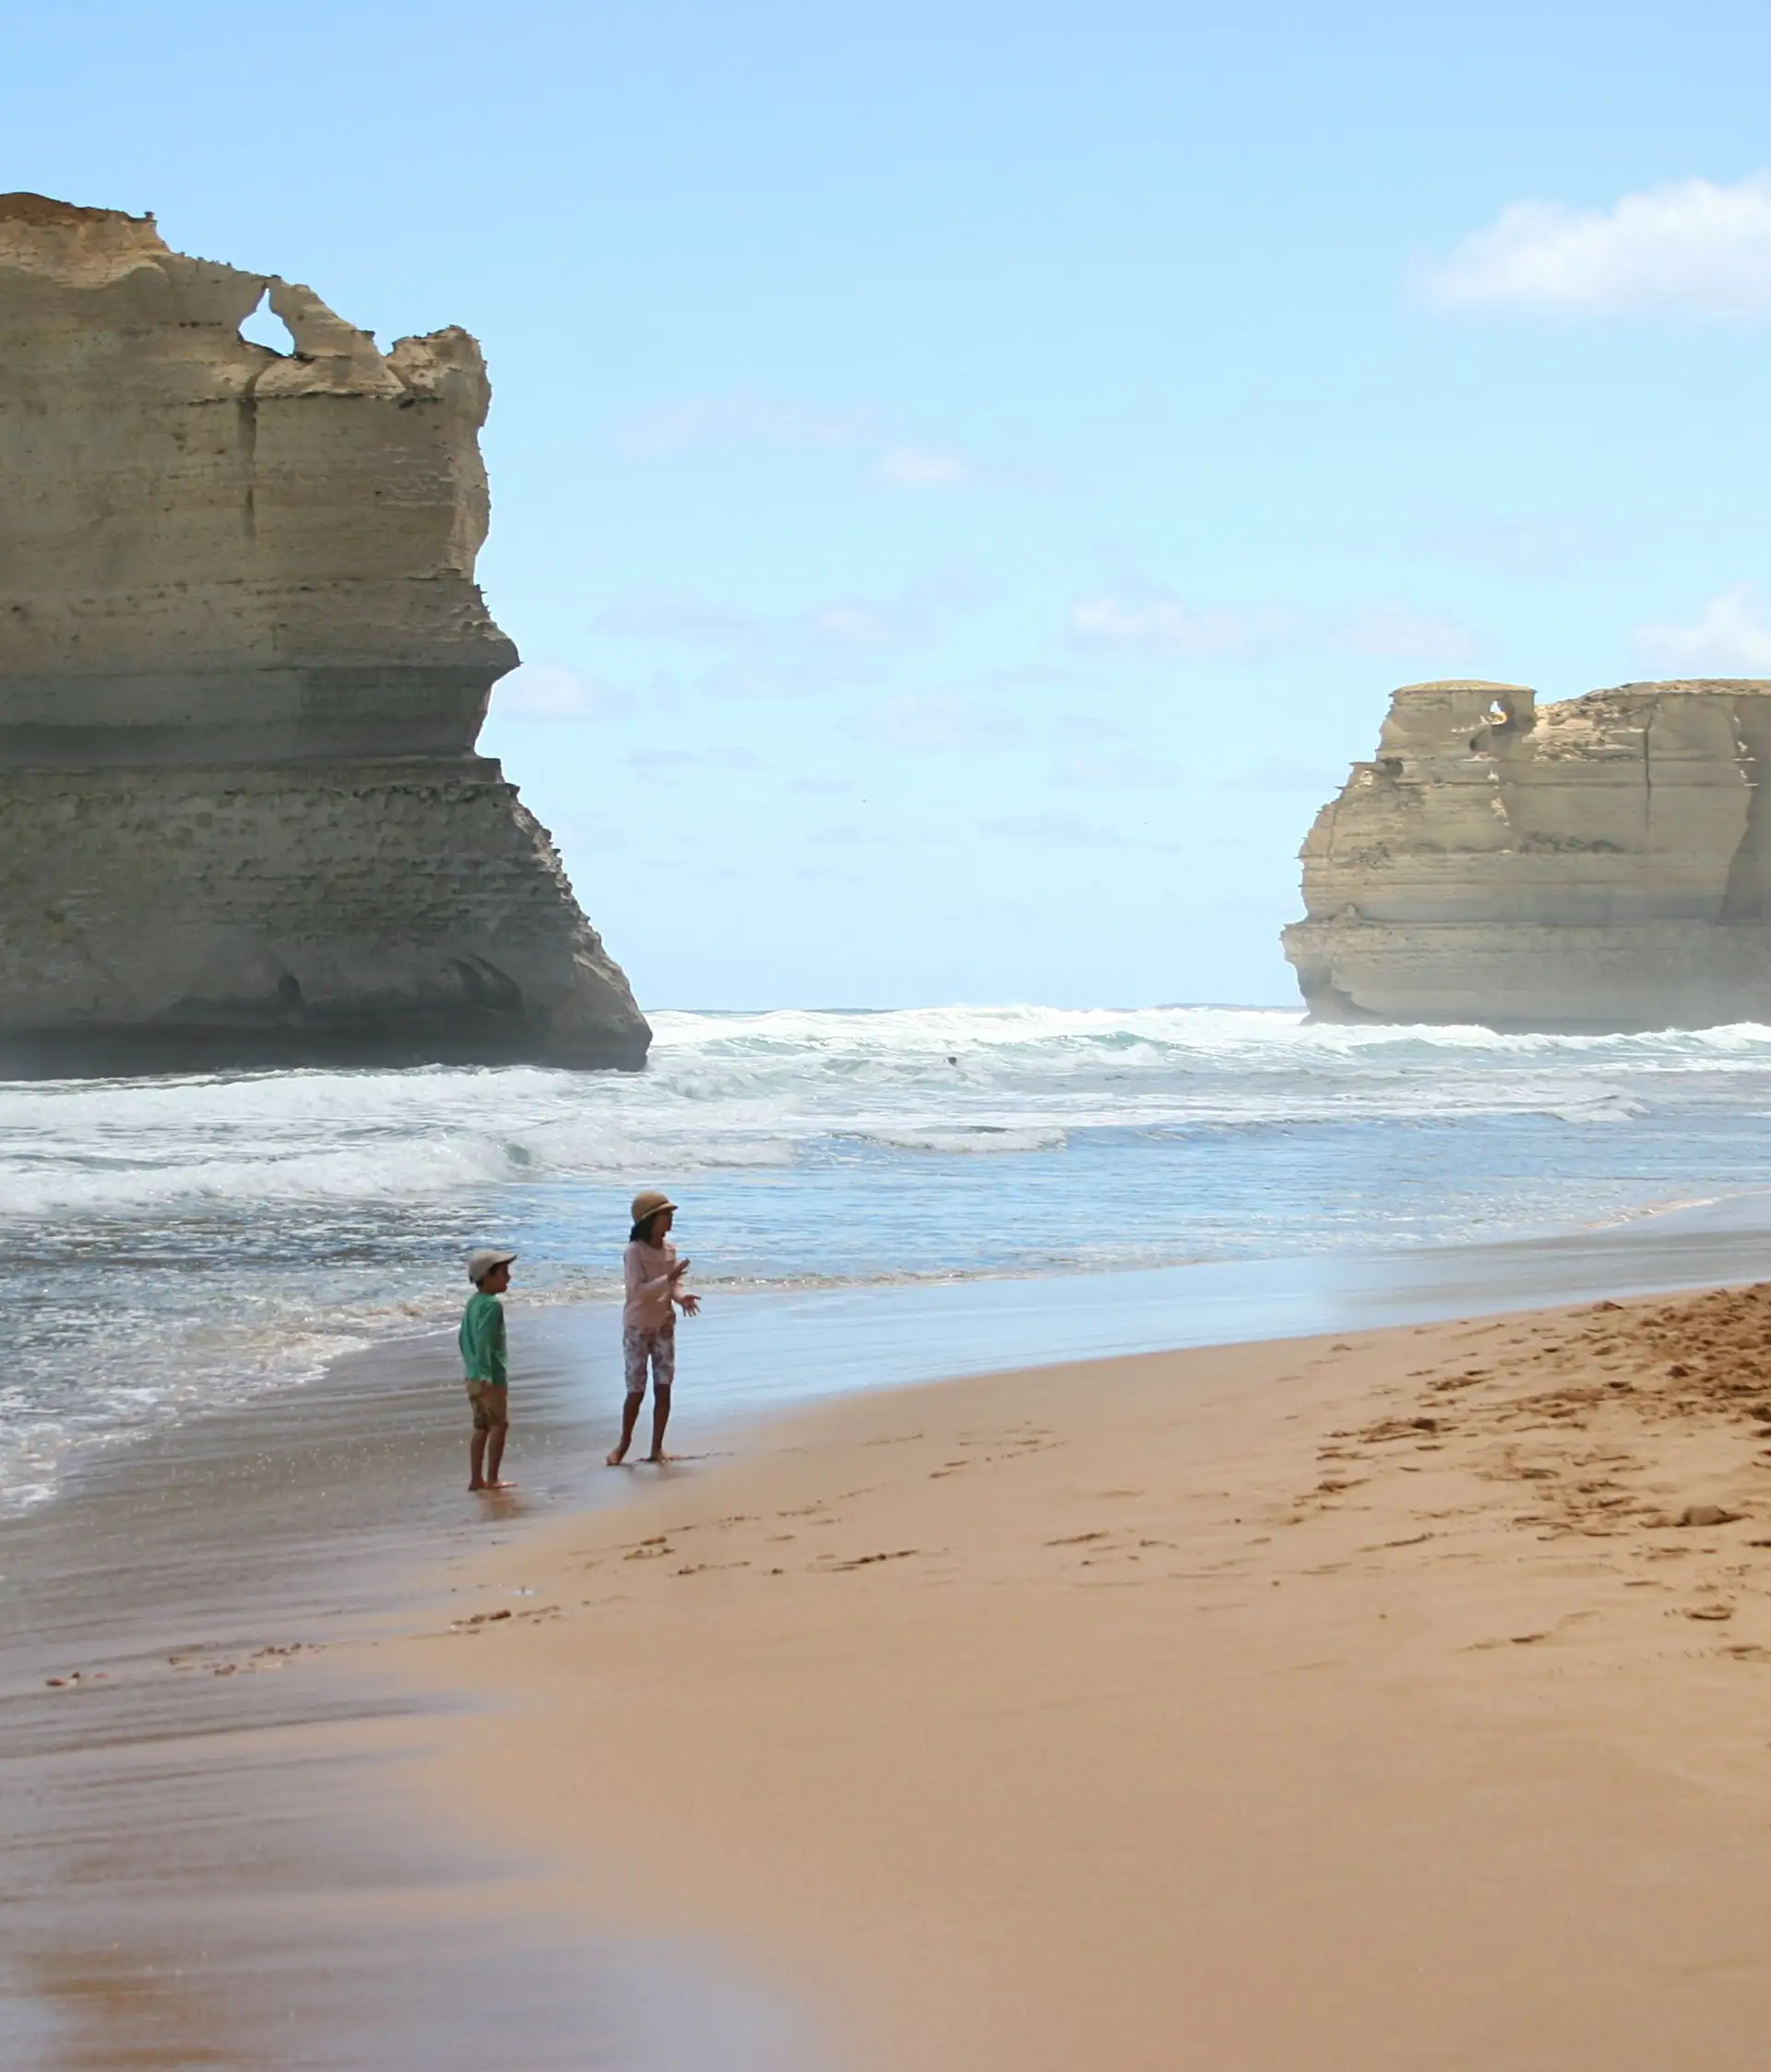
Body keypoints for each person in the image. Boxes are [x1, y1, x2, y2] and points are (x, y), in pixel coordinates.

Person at [608, 1190, 699, 1466]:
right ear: (649, 1220)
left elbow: (671, 1286)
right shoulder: (634, 1252)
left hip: (664, 1325)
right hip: (637, 1326)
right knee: (635, 1390)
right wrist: (668, 1279)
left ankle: (656, 1448)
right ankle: (623, 1445)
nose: (671, 1219)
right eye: (666, 1215)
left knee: (664, 1386)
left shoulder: (670, 1249)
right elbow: (637, 1293)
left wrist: (681, 1297)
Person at [459, 1247, 516, 1492]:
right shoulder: (492, 1305)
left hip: (472, 1375)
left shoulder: (473, 1303)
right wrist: (486, 1374)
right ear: (488, 1276)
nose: (508, 1277)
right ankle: (493, 1478)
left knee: (480, 1427)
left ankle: (475, 1479)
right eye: (504, 1272)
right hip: (491, 1376)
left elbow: (463, 1337)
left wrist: (473, 1369)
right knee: (499, 1426)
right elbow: (484, 1339)